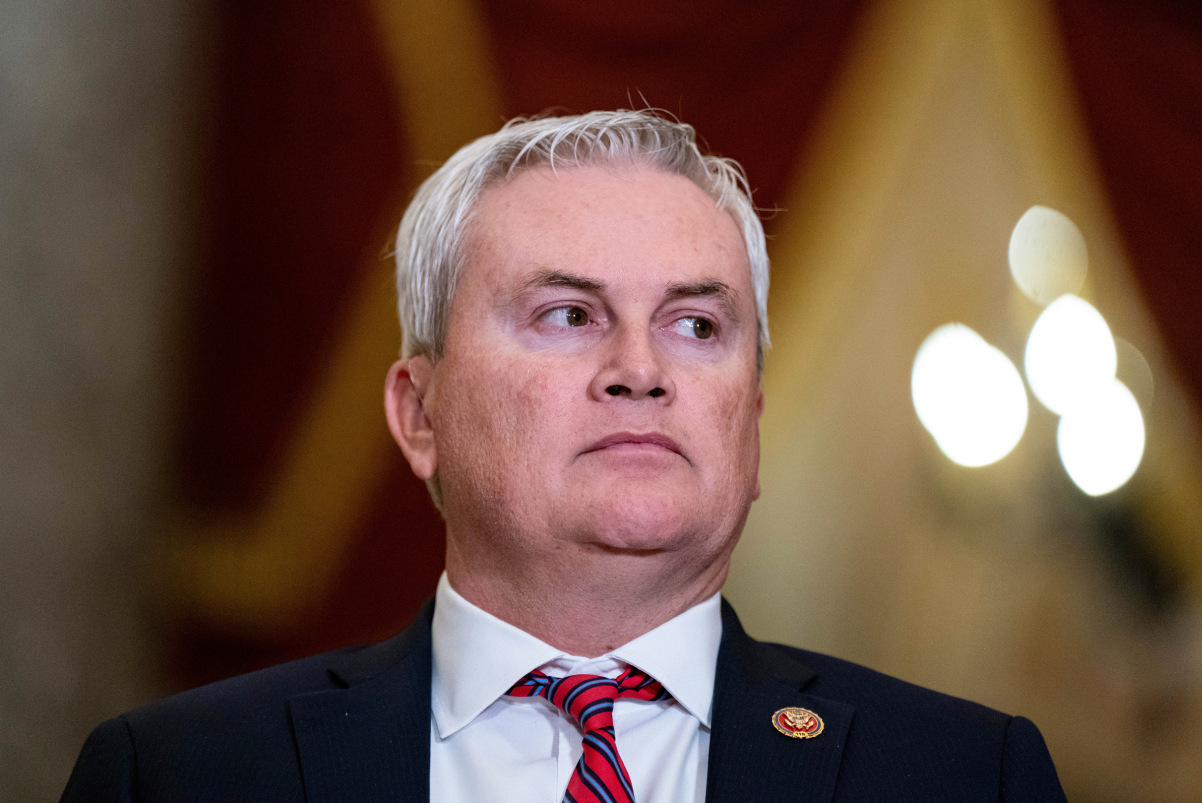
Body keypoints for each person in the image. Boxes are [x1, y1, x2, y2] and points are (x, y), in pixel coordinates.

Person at [62, 110, 1066, 801]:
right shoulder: (180, 775)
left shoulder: (966, 774)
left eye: (696, 325)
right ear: (419, 413)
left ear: (750, 423)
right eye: (568, 313)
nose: (640, 368)